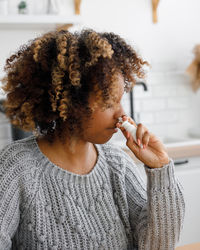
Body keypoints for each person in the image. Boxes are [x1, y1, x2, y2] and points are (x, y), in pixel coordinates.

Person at [0, 29, 185, 250]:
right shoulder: (16, 167)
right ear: (70, 104)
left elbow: (159, 246)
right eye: (109, 103)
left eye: (120, 101)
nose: (122, 114)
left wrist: (161, 168)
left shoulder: (118, 164)